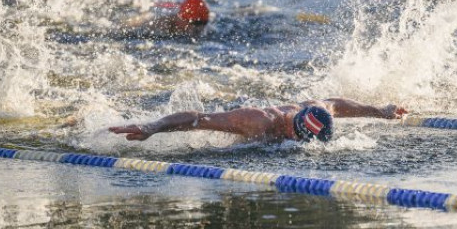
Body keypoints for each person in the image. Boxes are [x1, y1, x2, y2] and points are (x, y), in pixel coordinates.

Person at [109, 98, 408, 143]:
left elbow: (337, 104)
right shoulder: (256, 122)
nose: (295, 143)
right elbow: (197, 119)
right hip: (234, 116)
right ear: (291, 127)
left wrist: (379, 111)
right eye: (296, 138)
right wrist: (153, 127)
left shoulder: (316, 110)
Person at [124, 0, 210, 39]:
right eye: (195, 23)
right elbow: (131, 27)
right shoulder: (163, 22)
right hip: (148, 7)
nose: (199, 28)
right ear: (181, 18)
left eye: (203, 23)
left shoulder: (195, 23)